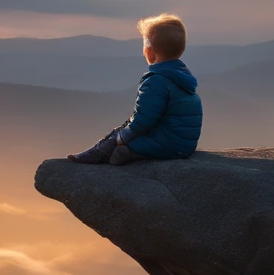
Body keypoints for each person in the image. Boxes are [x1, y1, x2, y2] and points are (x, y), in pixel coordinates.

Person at [68, 13, 202, 165]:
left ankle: (99, 153)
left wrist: (122, 138)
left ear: (150, 51)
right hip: (184, 144)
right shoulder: (182, 76)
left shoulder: (156, 81)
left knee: (118, 149)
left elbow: (143, 121)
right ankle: (101, 150)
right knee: (120, 131)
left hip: (167, 146)